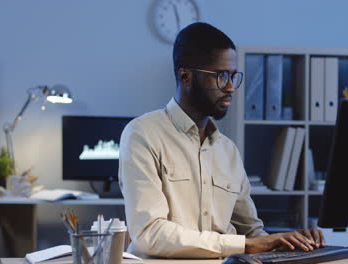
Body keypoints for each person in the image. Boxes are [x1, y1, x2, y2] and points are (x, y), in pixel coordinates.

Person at [118, 22, 325, 258]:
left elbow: (253, 233)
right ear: (185, 76)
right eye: (221, 76)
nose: (230, 88)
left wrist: (290, 242)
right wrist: (243, 245)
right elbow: (149, 233)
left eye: (233, 76)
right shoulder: (142, 134)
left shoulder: (228, 151)